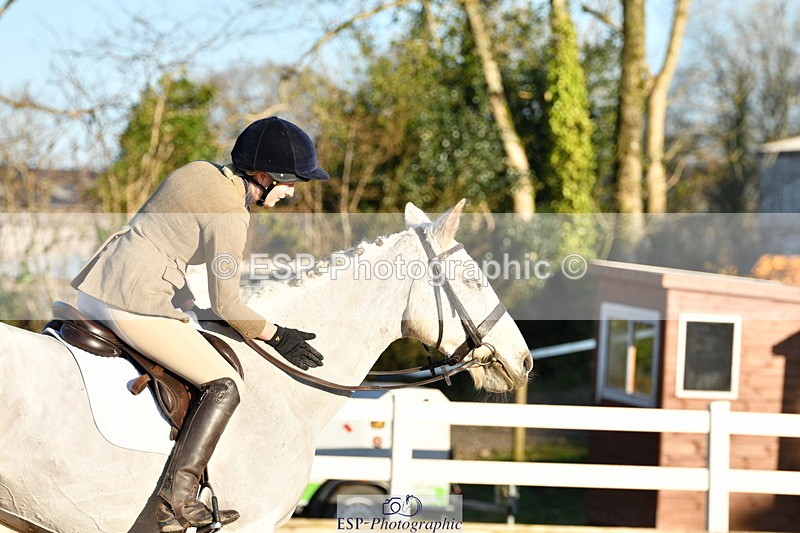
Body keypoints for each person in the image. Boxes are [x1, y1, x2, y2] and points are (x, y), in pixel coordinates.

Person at [71, 116, 328, 532]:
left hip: (99, 283)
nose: (293, 193)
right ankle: (178, 498)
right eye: (291, 182)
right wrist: (277, 335)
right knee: (225, 383)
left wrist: (191, 304)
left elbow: (163, 239)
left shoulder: (198, 172)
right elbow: (228, 302)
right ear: (264, 176)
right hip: (133, 302)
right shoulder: (231, 214)